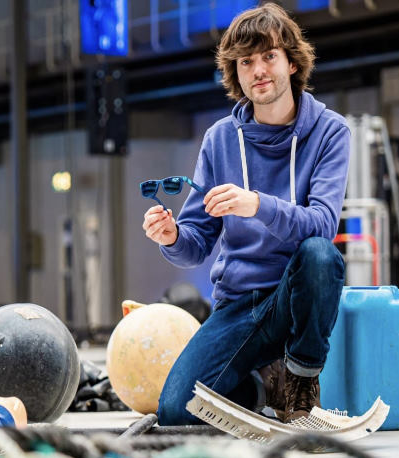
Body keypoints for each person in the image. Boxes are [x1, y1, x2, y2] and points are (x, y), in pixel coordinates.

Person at [142, 3, 349, 424]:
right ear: (235, 73)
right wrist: (171, 238)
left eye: (269, 56)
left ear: (291, 62)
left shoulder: (330, 133)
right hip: (240, 305)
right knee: (175, 411)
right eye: (245, 62)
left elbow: (323, 226)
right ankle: (257, 382)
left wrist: (257, 204)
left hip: (297, 297)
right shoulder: (220, 139)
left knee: (319, 256)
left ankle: (300, 382)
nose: (258, 70)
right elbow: (196, 245)